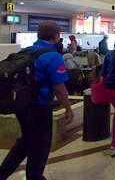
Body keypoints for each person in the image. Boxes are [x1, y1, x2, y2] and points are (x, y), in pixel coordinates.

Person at [0, 21, 74, 180]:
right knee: (40, 145)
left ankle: (2, 173)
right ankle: (34, 177)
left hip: (22, 105)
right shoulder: (53, 56)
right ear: (56, 36)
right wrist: (68, 108)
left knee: (25, 141)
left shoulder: (27, 51)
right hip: (40, 107)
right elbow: (59, 88)